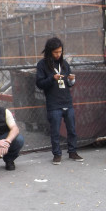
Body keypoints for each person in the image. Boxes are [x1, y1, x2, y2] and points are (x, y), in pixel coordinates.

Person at [35, 37, 84, 165]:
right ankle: (57, 154)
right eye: (56, 52)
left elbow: (68, 83)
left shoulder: (64, 64)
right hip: (53, 103)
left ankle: (73, 151)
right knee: (55, 130)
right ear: (50, 51)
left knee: (72, 129)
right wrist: (52, 78)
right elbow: (39, 83)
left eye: (60, 52)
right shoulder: (42, 65)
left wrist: (71, 80)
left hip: (67, 100)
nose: (58, 55)